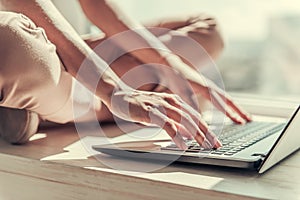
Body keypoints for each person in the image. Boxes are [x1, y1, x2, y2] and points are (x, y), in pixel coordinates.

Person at [0, 0, 251, 149]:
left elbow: (96, 5)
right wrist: (114, 91)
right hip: (30, 55)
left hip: (66, 51)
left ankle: (40, 106)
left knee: (207, 30)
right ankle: (86, 100)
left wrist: (174, 68)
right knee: (9, 43)